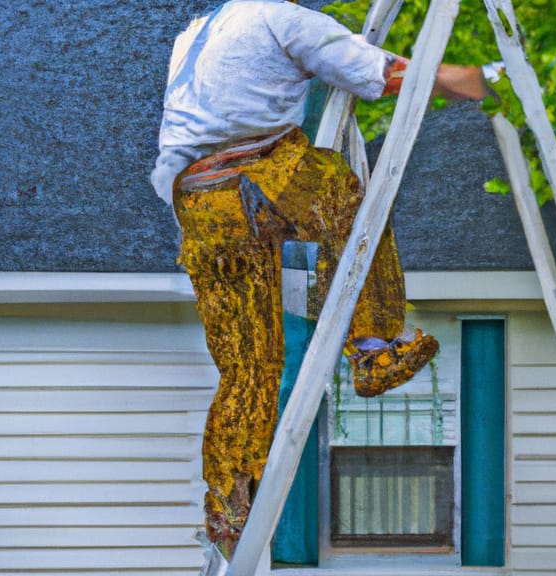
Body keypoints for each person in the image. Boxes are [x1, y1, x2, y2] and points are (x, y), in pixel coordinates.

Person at [152, 0, 488, 557]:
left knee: (248, 363)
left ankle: (228, 506)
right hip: (258, 168)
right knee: (345, 199)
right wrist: (476, 83)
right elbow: (381, 74)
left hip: (196, 198)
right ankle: (373, 348)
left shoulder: (198, 31)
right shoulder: (283, 18)